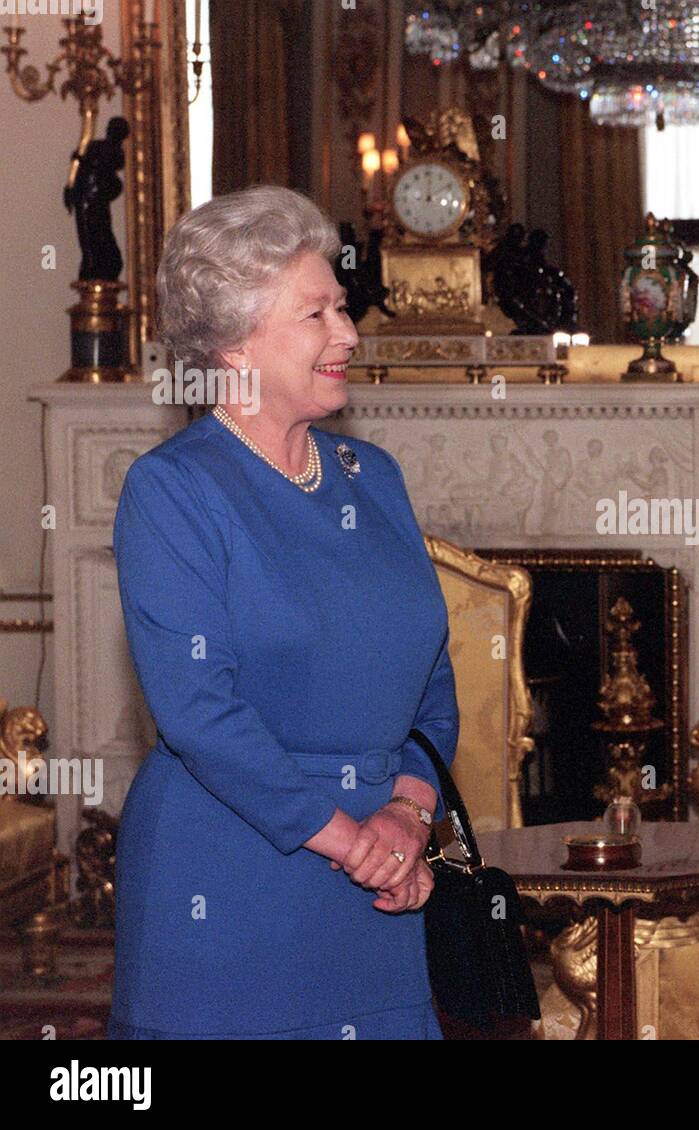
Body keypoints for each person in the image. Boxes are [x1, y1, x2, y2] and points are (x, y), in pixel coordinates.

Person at [109, 185, 459, 1039]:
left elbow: (432, 682)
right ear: (235, 346)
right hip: (233, 880)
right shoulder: (173, 490)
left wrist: (408, 819)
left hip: (379, 884)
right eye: (316, 314)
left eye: (341, 308)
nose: (347, 332)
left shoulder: (372, 477)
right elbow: (199, 713)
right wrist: (351, 840)